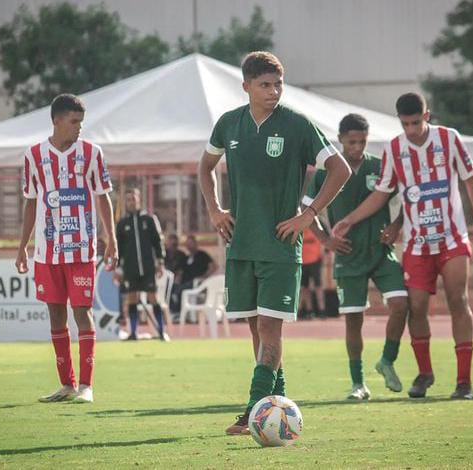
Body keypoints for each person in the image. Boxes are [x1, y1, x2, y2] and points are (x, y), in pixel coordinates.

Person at [199, 51, 350, 435]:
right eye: (265, 84)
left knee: (270, 327)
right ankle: (276, 406)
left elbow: (340, 169)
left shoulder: (297, 125)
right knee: (255, 327)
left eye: (278, 84)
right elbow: (204, 167)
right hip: (241, 244)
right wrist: (216, 210)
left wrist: (308, 214)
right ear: (246, 86)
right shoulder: (228, 125)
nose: (273, 91)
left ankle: (253, 411)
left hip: (281, 247)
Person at [333, 92, 473, 399]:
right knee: (415, 307)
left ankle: (463, 382)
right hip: (417, 244)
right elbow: (382, 193)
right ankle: (425, 374)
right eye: (405, 124)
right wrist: (349, 220)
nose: (412, 129)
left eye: (416, 122)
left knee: (459, 301)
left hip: (452, 239)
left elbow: (471, 180)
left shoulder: (449, 139)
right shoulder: (394, 148)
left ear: (427, 115)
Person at [15, 93, 117, 404]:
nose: (79, 128)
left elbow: (103, 196)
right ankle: (67, 385)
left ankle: (86, 386)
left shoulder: (92, 153)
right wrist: (22, 247)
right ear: (57, 121)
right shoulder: (34, 156)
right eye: (74, 122)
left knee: (82, 314)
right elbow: (31, 202)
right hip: (47, 252)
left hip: (82, 250)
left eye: (81, 123)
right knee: (55, 316)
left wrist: (111, 239)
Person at [304, 113, 408, 399]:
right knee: (354, 320)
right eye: (351, 142)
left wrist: (396, 226)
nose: (357, 147)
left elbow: (407, 201)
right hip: (348, 256)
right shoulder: (326, 172)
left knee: (401, 303)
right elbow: (306, 211)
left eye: (362, 141)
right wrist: (326, 240)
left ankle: (387, 360)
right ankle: (358, 383)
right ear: (340, 140)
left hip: (380, 251)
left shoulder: (380, 166)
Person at [115, 188, 169, 341]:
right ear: (126, 202)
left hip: (147, 267)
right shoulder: (122, 224)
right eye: (128, 199)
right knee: (132, 298)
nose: (131, 202)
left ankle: (161, 332)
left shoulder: (149, 220)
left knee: (153, 298)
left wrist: (160, 261)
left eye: (134, 199)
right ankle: (133, 332)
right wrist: (119, 268)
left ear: (139, 200)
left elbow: (158, 242)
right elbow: (118, 248)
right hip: (130, 268)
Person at [298, 228, 324, 319]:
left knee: (318, 285)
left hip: (315, 260)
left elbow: (323, 240)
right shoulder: (299, 225)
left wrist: (321, 255)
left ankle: (321, 310)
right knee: (304, 287)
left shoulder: (316, 225)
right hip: (302, 260)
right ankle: (309, 310)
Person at [165, 233, 188, 314]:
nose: (173, 245)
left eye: (175, 244)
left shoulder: (181, 255)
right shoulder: (163, 254)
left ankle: (175, 312)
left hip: (177, 280)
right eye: (171, 243)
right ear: (167, 243)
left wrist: (176, 280)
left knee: (175, 289)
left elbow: (181, 271)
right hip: (164, 280)